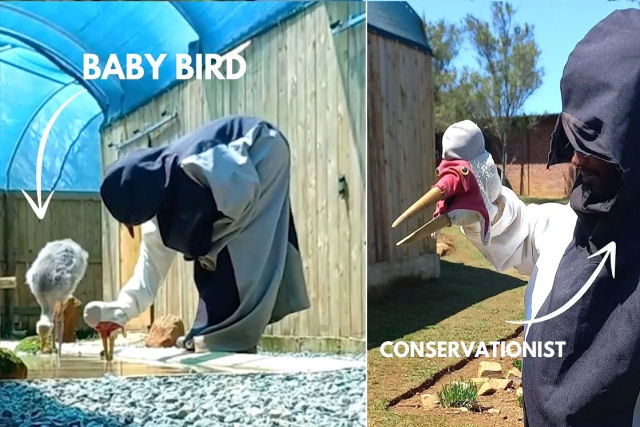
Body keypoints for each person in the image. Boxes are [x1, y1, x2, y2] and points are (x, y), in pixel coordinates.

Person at [398, 9, 640, 426]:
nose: (578, 158)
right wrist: (482, 193)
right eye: (575, 136)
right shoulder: (572, 223)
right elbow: (525, 234)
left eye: (597, 142)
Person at [84, 116, 310, 354]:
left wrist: (209, 246)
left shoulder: (194, 165)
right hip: (237, 185)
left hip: (262, 150)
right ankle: (215, 337)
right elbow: (148, 271)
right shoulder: (156, 201)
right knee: (217, 260)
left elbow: (244, 191)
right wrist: (121, 311)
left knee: (236, 259)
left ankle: (222, 340)